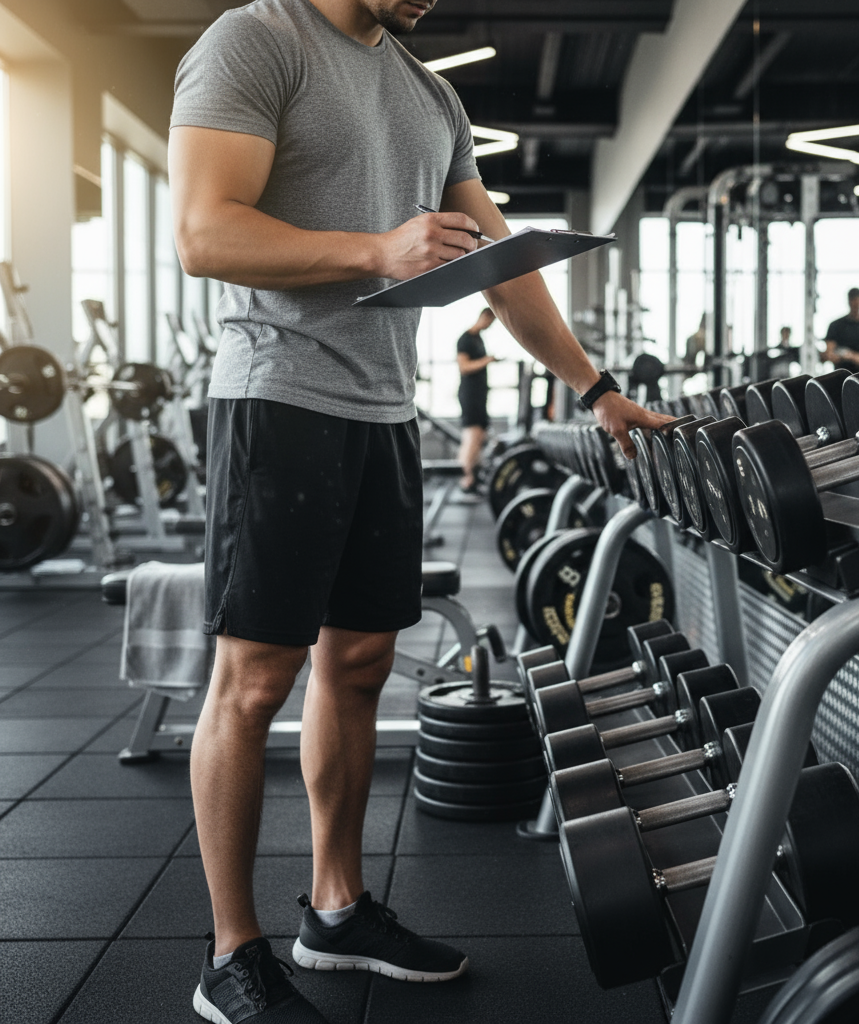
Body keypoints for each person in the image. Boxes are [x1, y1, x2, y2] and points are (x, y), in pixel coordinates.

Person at [168, 1, 668, 1022]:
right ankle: (230, 950)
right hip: (275, 394)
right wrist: (374, 251)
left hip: (385, 409)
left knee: (358, 663)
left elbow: (499, 259)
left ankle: (338, 907)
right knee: (254, 677)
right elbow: (202, 232)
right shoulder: (255, 41)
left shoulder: (430, 93)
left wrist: (593, 387)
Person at [456, 307, 497, 492]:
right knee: (471, 437)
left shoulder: (478, 338)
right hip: (470, 395)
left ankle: (472, 479)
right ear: (484, 316)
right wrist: (486, 361)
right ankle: (465, 481)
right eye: (491, 321)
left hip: (480, 394)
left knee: (479, 435)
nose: (490, 325)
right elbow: (464, 367)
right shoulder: (465, 339)